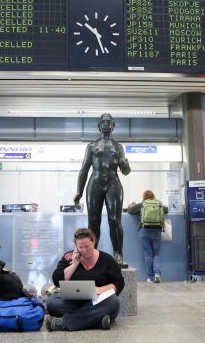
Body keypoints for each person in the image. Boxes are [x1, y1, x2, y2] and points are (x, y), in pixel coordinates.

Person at [74, 114, 131, 264]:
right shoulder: (92, 146)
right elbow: (84, 170)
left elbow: (125, 171)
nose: (106, 124)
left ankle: (118, 253)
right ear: (99, 126)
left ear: (113, 126)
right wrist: (79, 191)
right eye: (103, 122)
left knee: (115, 221)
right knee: (93, 221)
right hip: (95, 184)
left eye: (109, 122)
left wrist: (125, 164)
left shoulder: (119, 147)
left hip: (113, 184)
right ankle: (91, 254)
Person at [46, 228, 124, 331]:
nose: (84, 250)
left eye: (87, 246)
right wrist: (74, 264)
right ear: (76, 246)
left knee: (113, 302)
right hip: (75, 302)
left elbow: (119, 283)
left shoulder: (107, 259)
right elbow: (57, 280)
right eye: (80, 247)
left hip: (97, 303)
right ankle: (97, 321)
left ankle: (63, 323)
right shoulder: (69, 257)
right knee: (52, 303)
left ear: (94, 242)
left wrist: (100, 290)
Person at [127, 190, 167, 283]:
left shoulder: (142, 204)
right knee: (156, 254)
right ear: (153, 196)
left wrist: (131, 205)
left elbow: (130, 211)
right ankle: (157, 273)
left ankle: (150, 277)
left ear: (144, 196)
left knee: (148, 254)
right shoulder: (158, 203)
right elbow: (166, 210)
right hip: (156, 231)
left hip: (144, 232)